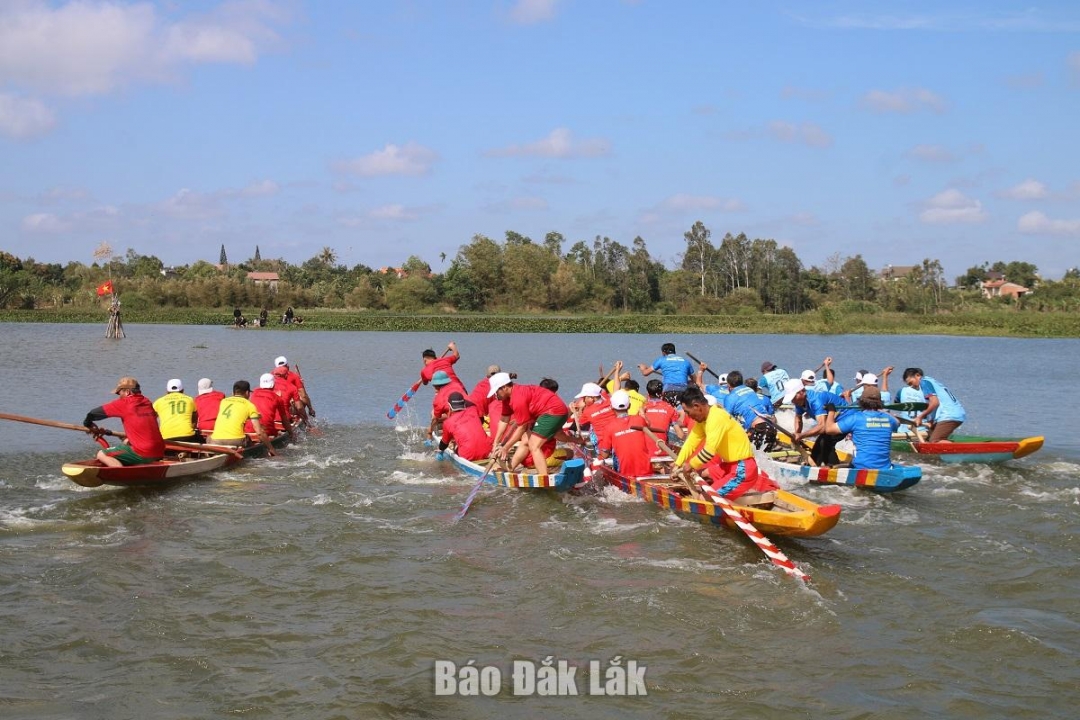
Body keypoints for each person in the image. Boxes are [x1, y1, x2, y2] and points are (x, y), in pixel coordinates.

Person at [673, 388, 776, 499]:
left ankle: (716, 501)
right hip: (729, 466)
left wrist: (690, 465)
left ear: (697, 406)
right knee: (700, 474)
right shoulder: (703, 419)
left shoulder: (716, 417)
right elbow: (690, 443)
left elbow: (709, 452)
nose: (688, 416)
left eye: (687, 412)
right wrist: (677, 464)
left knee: (704, 499)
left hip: (742, 470)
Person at [488, 373, 570, 477]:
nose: (495, 395)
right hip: (548, 412)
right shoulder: (507, 398)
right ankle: (511, 467)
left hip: (554, 412)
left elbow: (522, 427)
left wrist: (506, 447)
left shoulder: (518, 398)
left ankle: (544, 478)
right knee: (526, 440)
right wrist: (495, 444)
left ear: (504, 388)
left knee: (534, 445)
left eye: (496, 391)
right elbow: (504, 419)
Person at [83, 377, 165, 467]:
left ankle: (122, 474)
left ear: (127, 392)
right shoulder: (147, 402)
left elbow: (93, 413)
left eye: (119, 392)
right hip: (160, 450)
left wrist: (88, 424)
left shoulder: (125, 403)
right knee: (126, 442)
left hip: (144, 452)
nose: (119, 396)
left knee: (102, 454)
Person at [821, 386, 900, 470]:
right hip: (885, 467)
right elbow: (898, 422)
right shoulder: (889, 419)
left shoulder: (856, 418)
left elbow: (829, 429)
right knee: (848, 463)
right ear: (880, 403)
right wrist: (880, 410)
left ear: (861, 402)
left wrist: (831, 411)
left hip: (861, 467)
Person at [785, 378, 849, 466]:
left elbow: (822, 427)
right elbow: (798, 419)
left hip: (845, 417)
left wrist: (801, 435)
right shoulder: (799, 402)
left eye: (793, 397)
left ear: (802, 392)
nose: (792, 401)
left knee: (825, 441)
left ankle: (833, 468)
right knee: (821, 442)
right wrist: (797, 435)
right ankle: (815, 464)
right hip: (832, 422)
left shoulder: (816, 400)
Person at [209, 380, 276, 456]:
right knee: (248, 439)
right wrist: (271, 448)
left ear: (233, 392)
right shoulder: (249, 405)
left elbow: (233, 415)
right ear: (247, 393)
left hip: (215, 441)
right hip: (236, 441)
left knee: (209, 437)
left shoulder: (223, 402)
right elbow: (259, 432)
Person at [597, 390, 653, 477]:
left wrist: (597, 459)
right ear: (629, 406)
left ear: (611, 407)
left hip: (625, 473)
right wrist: (642, 413)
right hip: (646, 471)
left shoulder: (609, 427)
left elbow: (605, 454)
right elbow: (648, 425)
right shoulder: (639, 420)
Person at [903, 368, 967, 442]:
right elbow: (936, 405)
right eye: (909, 385)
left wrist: (920, 417)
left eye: (911, 383)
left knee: (935, 441)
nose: (911, 387)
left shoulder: (924, 382)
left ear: (917, 375)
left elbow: (935, 403)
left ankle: (962, 450)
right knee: (929, 437)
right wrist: (931, 421)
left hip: (949, 415)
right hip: (953, 414)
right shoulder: (931, 381)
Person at [722, 370, 778, 450]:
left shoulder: (730, 397)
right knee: (763, 458)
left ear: (728, 385)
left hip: (758, 429)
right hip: (771, 428)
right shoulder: (750, 390)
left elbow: (726, 420)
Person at [437, 392, 493, 462]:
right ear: (464, 404)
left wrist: (440, 451)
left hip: (467, 455)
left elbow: (444, 444)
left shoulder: (447, 423)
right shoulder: (474, 410)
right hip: (488, 449)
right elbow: (480, 418)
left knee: (456, 449)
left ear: (449, 406)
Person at [641, 379, 685, 455]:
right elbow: (680, 435)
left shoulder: (642, 409)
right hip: (661, 451)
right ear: (662, 393)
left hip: (644, 453)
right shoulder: (669, 408)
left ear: (648, 393)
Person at [246, 373, 295, 440]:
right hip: (267, 431)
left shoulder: (253, 394)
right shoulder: (278, 398)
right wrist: (291, 433)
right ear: (273, 385)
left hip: (248, 430)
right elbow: (284, 419)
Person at [152, 378, 199, 442]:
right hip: (187, 436)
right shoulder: (190, 400)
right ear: (182, 390)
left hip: (166, 437)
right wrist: (192, 428)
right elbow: (195, 418)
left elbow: (151, 419)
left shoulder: (158, 401)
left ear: (167, 391)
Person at [428, 370, 467, 439]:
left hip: (456, 418)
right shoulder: (457, 385)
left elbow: (435, 418)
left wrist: (430, 431)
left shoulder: (438, 399)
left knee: (433, 414)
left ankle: (445, 435)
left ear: (435, 386)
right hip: (469, 411)